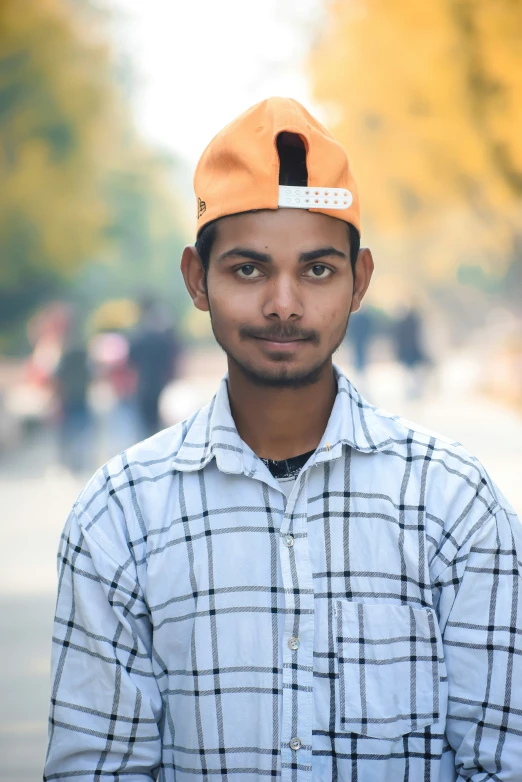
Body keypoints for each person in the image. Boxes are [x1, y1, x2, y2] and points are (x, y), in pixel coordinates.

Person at [44, 98, 522, 781]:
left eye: (318, 270)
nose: (284, 303)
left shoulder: (452, 503)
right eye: (248, 269)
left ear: (359, 281)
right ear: (195, 278)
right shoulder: (121, 515)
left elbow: (504, 759)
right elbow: (97, 767)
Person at [128, 296, 181, 437]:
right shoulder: (165, 338)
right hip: (163, 385)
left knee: (145, 429)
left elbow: (131, 359)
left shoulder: (139, 336)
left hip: (144, 386)